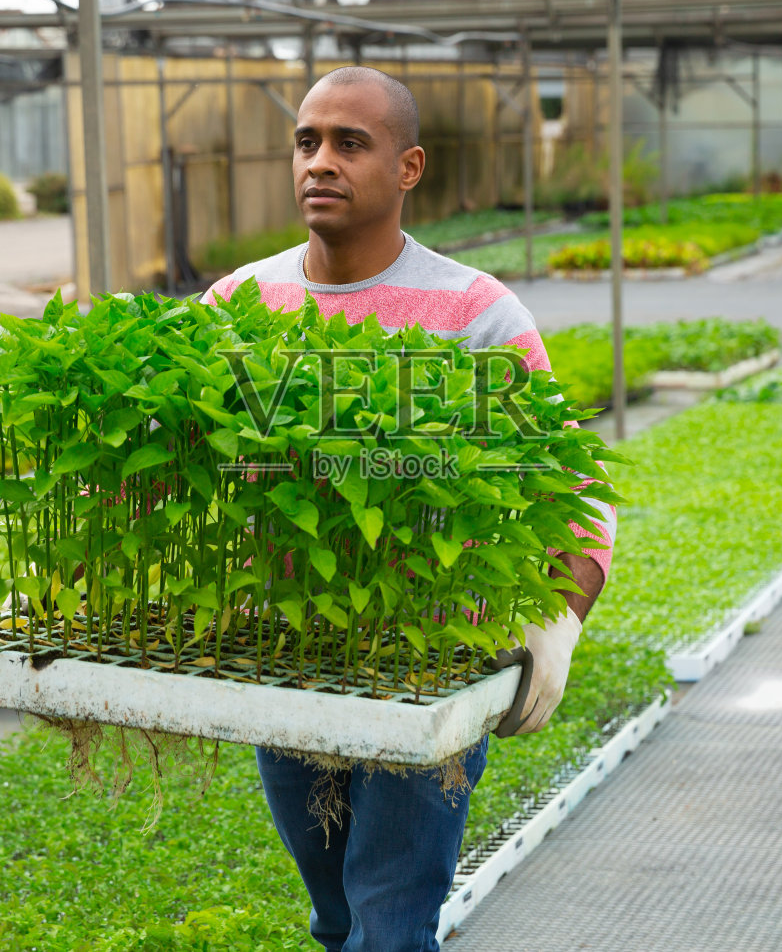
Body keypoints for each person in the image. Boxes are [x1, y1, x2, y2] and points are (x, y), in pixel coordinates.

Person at [201, 66, 615, 952]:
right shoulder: (239, 305)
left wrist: (558, 619)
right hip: (288, 657)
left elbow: (572, 488)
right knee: (338, 917)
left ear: (409, 166)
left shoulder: (476, 314)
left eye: (351, 143)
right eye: (308, 142)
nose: (320, 161)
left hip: (435, 662)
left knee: (388, 925)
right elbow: (173, 459)